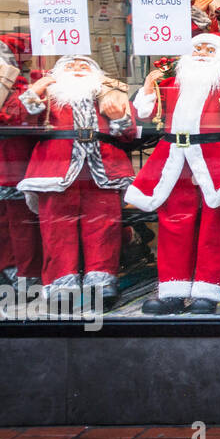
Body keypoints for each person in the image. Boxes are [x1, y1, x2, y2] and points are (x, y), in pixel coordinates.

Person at [127, 33, 220, 314]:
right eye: (198, 48)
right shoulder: (170, 84)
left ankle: (207, 290)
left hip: (213, 159)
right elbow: (146, 114)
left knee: (214, 225)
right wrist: (147, 84)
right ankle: (172, 289)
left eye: (210, 49)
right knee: (172, 222)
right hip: (174, 158)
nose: (203, 53)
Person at [16, 55, 135, 308]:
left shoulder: (110, 93)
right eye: (70, 66)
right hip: (56, 169)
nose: (77, 70)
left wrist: (119, 119)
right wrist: (32, 95)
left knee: (104, 226)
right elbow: (22, 123)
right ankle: (62, 283)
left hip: (101, 168)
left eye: (84, 66)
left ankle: (102, 282)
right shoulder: (48, 96)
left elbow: (129, 134)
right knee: (57, 229)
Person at [0, 42, 41, 292]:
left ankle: (26, 273)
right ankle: (9, 267)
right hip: (10, 164)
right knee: (8, 222)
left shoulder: (20, 88)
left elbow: (21, 114)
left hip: (14, 166)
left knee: (20, 222)